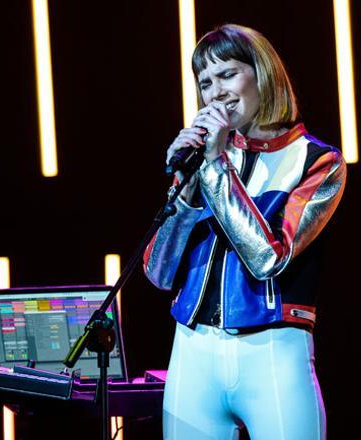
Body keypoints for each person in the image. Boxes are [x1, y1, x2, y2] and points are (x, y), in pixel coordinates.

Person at [143, 24, 346, 440]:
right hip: (193, 347)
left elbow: (268, 258)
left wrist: (216, 167)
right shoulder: (204, 158)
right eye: (205, 82)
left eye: (228, 74)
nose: (215, 91)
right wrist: (186, 186)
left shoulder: (317, 162)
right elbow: (158, 274)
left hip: (272, 350)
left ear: (263, 74)